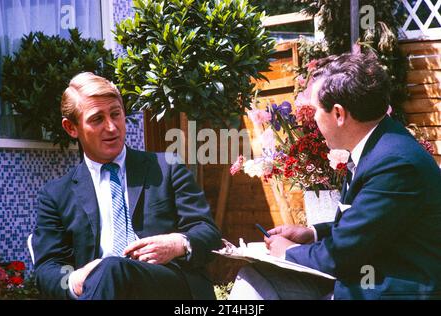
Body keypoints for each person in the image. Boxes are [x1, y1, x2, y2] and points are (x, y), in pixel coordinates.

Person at [229, 52, 441, 300]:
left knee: (256, 282)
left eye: (316, 109)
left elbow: (342, 254)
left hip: (386, 291)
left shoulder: (393, 163)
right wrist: (313, 234)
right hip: (366, 281)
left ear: (339, 114)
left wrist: (289, 252)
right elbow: (372, 225)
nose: (313, 118)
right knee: (255, 277)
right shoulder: (382, 146)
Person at [32, 72, 222, 299]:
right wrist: (76, 278)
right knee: (109, 271)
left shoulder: (166, 167)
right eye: (97, 119)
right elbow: (48, 269)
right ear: (71, 128)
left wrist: (176, 243)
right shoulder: (56, 195)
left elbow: (208, 232)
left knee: (113, 268)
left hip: (169, 284)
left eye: (116, 114)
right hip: (100, 288)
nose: (112, 127)